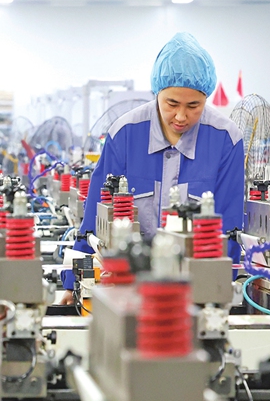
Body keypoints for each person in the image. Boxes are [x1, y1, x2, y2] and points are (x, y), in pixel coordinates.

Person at [64, 33, 245, 290]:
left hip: (194, 289)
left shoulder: (226, 141)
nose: (181, 116)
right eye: (171, 103)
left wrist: (216, 290)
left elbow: (229, 228)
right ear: (157, 92)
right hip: (126, 285)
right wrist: (73, 286)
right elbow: (94, 220)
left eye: (194, 105)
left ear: (207, 98)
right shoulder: (125, 134)